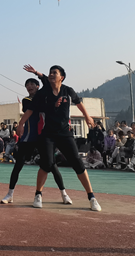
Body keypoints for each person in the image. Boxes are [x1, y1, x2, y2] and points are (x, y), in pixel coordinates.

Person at [20, 65, 101, 212]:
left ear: (61, 77)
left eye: (54, 73)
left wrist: (87, 116)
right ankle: (38, 195)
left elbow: (79, 103)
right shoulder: (43, 93)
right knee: (47, 163)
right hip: (47, 134)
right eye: (50, 72)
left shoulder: (67, 91)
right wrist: (20, 124)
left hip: (65, 133)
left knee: (77, 162)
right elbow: (30, 109)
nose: (51, 74)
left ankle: (92, 197)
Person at [1, 78, 73, 205]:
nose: (29, 86)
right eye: (27, 85)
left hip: (43, 138)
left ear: (38, 86)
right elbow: (31, 109)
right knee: (18, 166)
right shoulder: (27, 100)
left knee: (52, 166)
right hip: (28, 138)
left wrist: (39, 76)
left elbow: (49, 88)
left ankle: (64, 194)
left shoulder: (46, 98)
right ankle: (10, 194)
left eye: (32, 84)